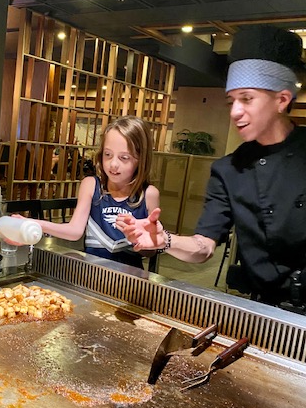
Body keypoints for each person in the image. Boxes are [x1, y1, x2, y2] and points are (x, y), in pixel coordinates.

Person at [117, 25, 306, 305]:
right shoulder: (229, 170)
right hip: (266, 308)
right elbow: (204, 246)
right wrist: (165, 240)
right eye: (232, 101)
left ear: (282, 99)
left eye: (247, 99)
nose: (235, 112)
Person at [16, 116, 160, 268]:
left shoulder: (149, 194)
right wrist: (32, 223)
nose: (113, 164)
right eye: (108, 154)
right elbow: (74, 231)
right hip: (91, 272)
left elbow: (151, 251)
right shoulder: (91, 185)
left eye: (124, 157)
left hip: (130, 276)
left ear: (141, 159)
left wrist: (138, 240)